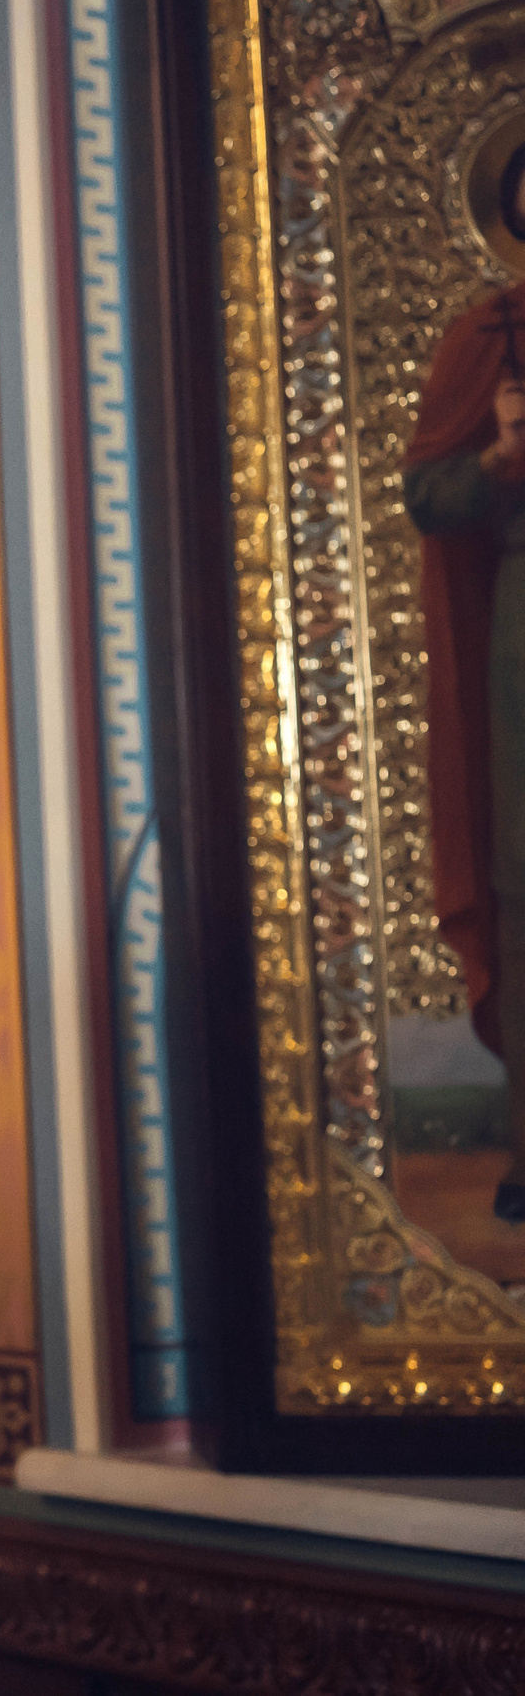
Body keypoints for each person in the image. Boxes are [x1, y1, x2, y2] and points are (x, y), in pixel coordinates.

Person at [405, 288, 525, 1222]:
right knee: (521, 892)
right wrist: (496, 459)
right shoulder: (488, 339)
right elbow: (429, 493)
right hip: (517, 641)